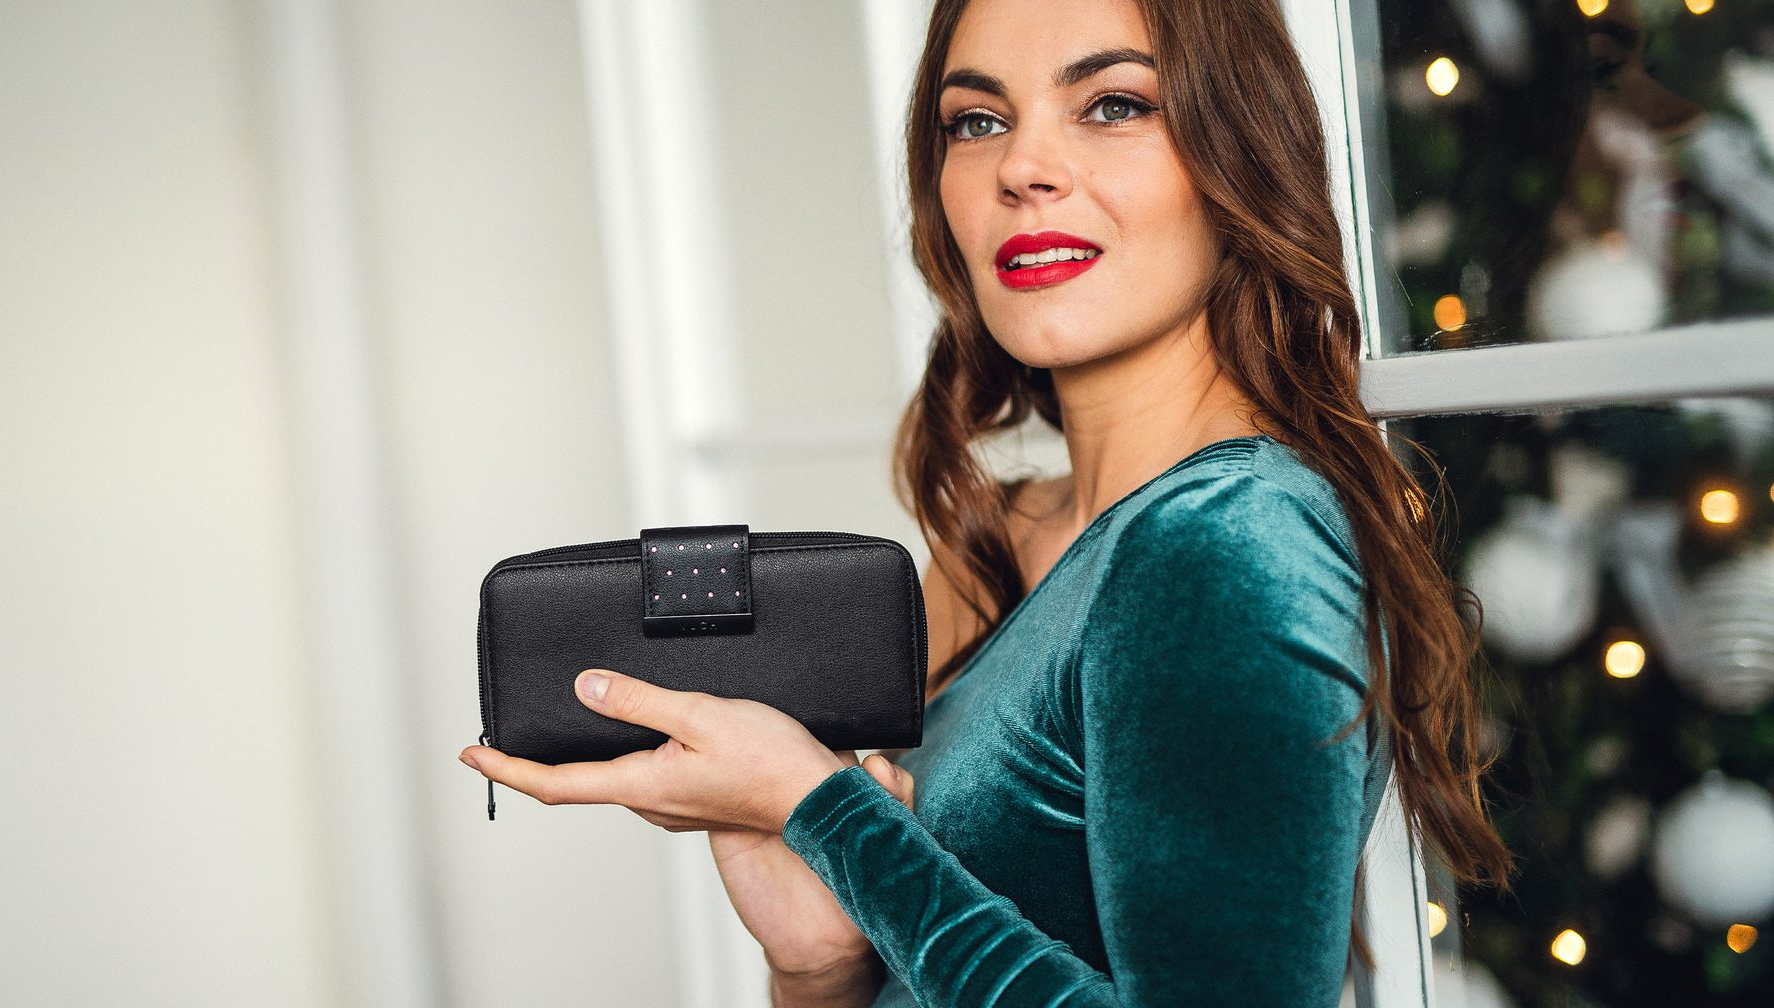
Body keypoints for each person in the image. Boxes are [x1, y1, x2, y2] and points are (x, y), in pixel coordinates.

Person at [457, 0, 1515, 1003]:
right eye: (976, 120)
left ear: (1239, 150)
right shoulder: (997, 542)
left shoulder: (1224, 542)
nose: (1020, 167)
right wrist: (818, 970)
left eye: (1113, 104)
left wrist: (825, 812)